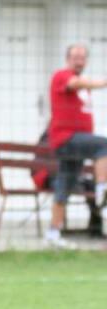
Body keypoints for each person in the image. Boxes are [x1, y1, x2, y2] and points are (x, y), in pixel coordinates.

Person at [45, 43, 107, 249]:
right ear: (67, 59)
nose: (79, 61)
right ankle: (103, 192)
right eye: (75, 57)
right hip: (66, 139)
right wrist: (103, 82)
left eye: (82, 58)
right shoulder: (62, 76)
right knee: (105, 146)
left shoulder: (84, 86)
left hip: (77, 144)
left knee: (65, 184)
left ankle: (53, 233)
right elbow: (75, 83)